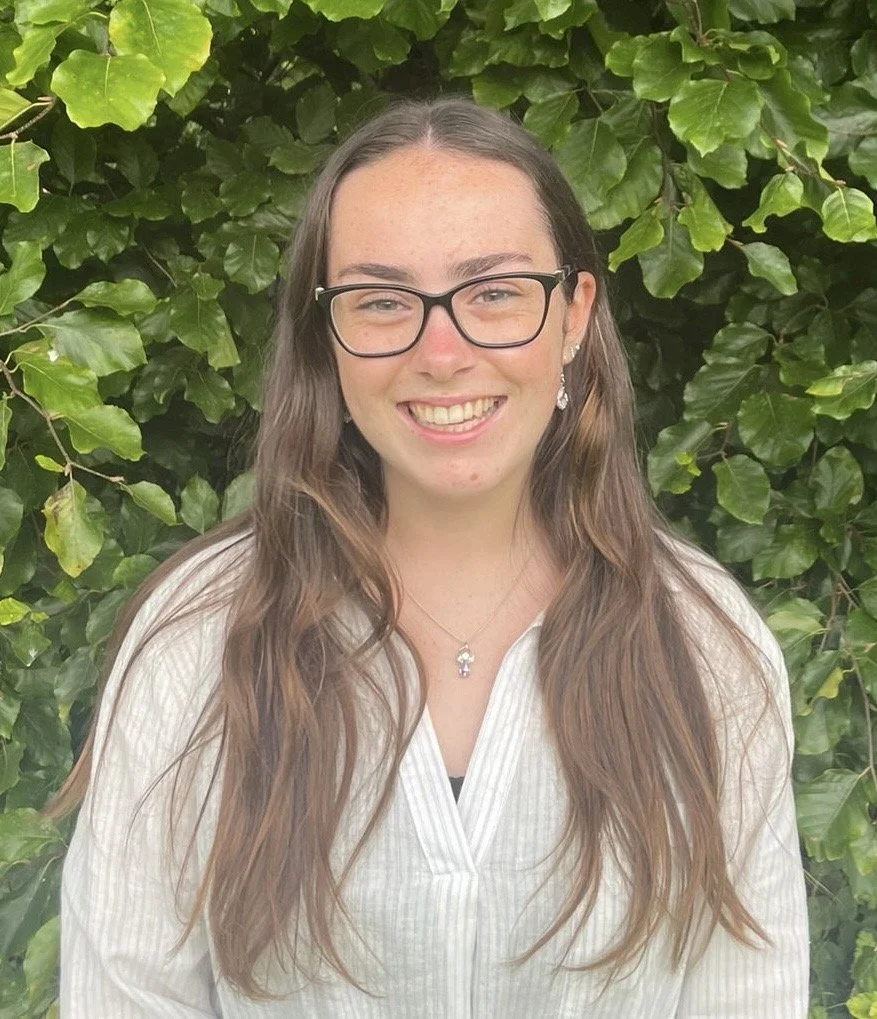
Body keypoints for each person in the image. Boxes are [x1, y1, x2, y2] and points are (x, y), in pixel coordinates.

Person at [53, 97, 809, 1017]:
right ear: (326, 341)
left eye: (493, 291)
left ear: (573, 315)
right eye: (381, 301)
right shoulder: (195, 645)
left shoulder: (706, 646)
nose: (441, 352)